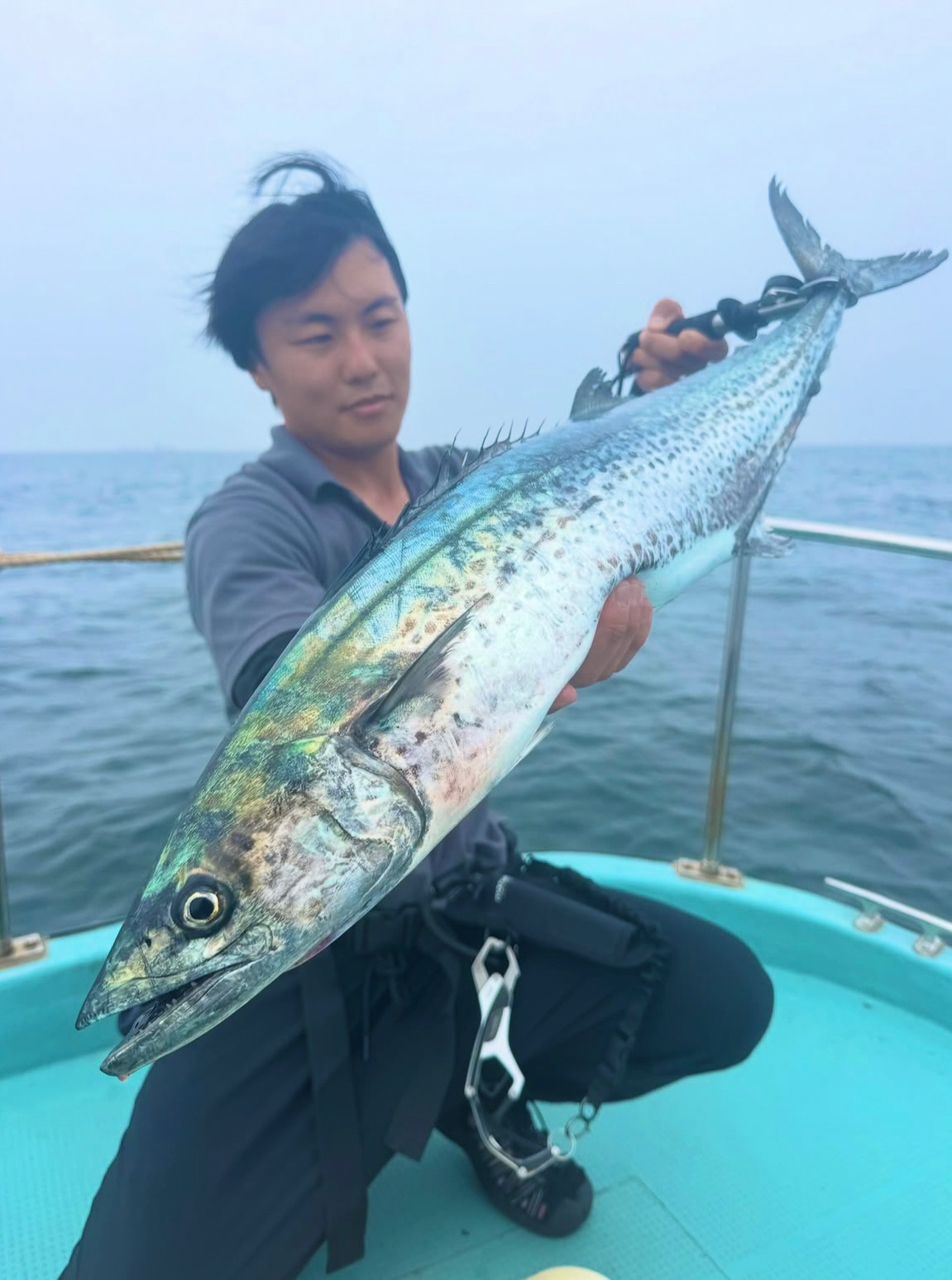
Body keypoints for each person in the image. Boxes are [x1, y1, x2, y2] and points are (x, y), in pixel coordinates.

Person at [62, 154, 773, 1280]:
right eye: (315, 332)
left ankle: (468, 1082)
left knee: (724, 993)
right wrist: (539, 663)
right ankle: (433, 1073)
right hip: (314, 956)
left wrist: (658, 399)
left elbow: (612, 492)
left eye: (379, 317)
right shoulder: (245, 524)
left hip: (470, 900)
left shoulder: (469, 478)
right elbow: (286, 712)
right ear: (258, 363)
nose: (361, 359)